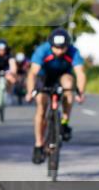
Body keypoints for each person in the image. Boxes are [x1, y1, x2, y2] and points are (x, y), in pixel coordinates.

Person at [25, 28, 87, 164]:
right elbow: (32, 73)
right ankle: (38, 144)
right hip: (45, 77)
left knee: (69, 85)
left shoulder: (73, 51)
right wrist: (30, 92)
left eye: (62, 48)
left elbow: (80, 73)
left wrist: (81, 92)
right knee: (41, 104)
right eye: (56, 48)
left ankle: (64, 122)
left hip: (63, 76)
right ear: (51, 45)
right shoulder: (42, 50)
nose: (59, 51)